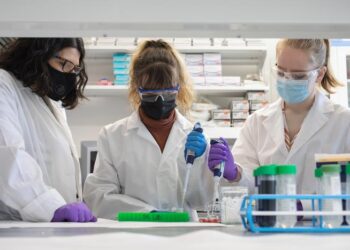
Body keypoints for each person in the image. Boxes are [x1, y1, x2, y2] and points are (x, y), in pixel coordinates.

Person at [83, 39, 237, 219]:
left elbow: (201, 201)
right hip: (133, 236)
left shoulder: (194, 135)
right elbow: (100, 197)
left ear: (179, 89)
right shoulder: (112, 136)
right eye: (150, 94)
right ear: (136, 88)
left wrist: (200, 162)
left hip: (183, 237)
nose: (160, 101)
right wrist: (149, 214)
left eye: (168, 93)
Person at [212, 39, 350, 195]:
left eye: (298, 76)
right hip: (268, 219)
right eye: (281, 72)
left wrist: (304, 207)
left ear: (319, 74)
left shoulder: (344, 122)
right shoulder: (256, 122)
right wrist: (235, 173)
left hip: (325, 219)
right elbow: (245, 187)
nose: (287, 80)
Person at [0, 38, 96, 222]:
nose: (68, 74)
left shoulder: (51, 101)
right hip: (14, 226)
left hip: (52, 224)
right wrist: (51, 207)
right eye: (63, 64)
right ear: (38, 55)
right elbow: (7, 156)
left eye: (74, 69)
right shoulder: (4, 84)